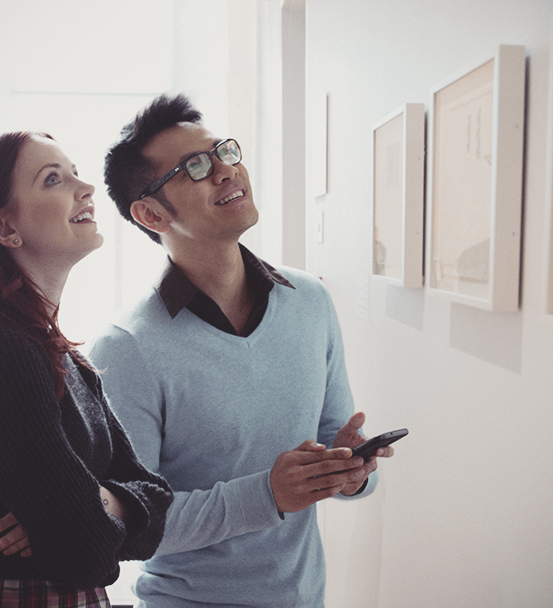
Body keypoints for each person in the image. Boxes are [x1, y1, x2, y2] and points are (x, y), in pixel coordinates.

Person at [88, 93, 394, 608]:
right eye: (195, 167)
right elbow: (133, 525)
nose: (226, 171)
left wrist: (349, 472)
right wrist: (269, 494)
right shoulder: (126, 349)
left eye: (224, 152)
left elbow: (332, 446)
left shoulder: (311, 301)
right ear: (150, 213)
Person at [0, 132, 174, 608]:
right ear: (5, 229)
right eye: (53, 180)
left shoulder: (62, 355)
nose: (85, 188)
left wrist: (96, 501)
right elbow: (84, 548)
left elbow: (157, 501)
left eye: (75, 172)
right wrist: (84, 515)